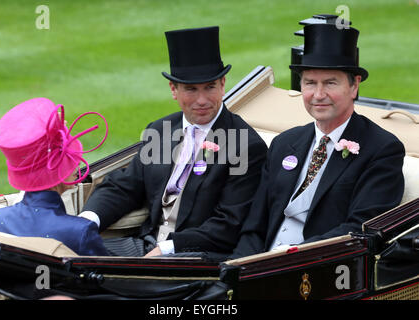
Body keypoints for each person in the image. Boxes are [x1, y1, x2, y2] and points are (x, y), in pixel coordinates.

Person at [80, 26, 267, 258]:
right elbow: (125, 186)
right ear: (173, 90)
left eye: (210, 87)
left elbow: (229, 224)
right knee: (73, 258)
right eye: (191, 89)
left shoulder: (246, 146)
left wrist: (167, 249)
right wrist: (87, 221)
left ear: (223, 85)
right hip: (144, 245)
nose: (202, 100)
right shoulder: (160, 130)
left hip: (196, 258)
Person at [231, 23, 405, 258]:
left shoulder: (381, 149)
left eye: (330, 83)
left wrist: (291, 258)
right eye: (310, 83)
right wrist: (238, 269)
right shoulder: (284, 143)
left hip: (319, 272)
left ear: (354, 86)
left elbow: (360, 230)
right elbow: (253, 227)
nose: (319, 95)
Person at [0, 97, 109, 256]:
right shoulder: (80, 232)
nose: (76, 163)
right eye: (69, 157)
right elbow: (111, 278)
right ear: (56, 172)